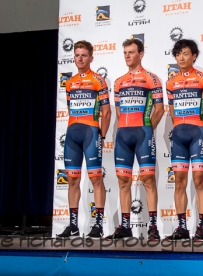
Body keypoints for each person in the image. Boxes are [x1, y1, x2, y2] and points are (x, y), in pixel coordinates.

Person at [109, 38, 165, 240]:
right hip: (123, 135)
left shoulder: (152, 78)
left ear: (141, 54)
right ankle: (125, 226)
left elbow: (159, 109)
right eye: (125, 52)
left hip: (143, 133)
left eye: (131, 52)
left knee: (148, 180)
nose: (127, 56)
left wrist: (147, 129)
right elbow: (117, 112)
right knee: (123, 180)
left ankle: (152, 227)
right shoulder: (118, 82)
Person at [57, 41, 111, 239]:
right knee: (72, 179)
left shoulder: (98, 80)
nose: (80, 58)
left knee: (96, 179)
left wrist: (102, 135)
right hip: (72, 134)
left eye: (84, 55)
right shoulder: (69, 83)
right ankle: (73, 225)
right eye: (77, 55)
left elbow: (106, 112)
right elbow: (71, 109)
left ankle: (98, 224)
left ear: (91, 58)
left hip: (91, 133)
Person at [165, 39, 203, 242]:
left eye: (185, 54)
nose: (181, 58)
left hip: (198, 133)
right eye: (178, 55)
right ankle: (182, 227)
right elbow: (171, 112)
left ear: (194, 56)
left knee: (199, 180)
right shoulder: (171, 82)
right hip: (179, 135)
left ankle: (201, 227)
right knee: (179, 182)